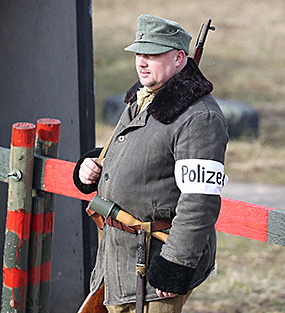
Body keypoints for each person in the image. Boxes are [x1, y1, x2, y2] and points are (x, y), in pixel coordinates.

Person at [74, 14, 229, 313]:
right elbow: (140, 150)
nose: (142, 62)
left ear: (179, 58)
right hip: (116, 259)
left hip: (155, 268)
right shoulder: (144, 97)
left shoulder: (200, 118)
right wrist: (92, 166)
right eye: (139, 54)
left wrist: (175, 266)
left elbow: (200, 201)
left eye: (153, 55)